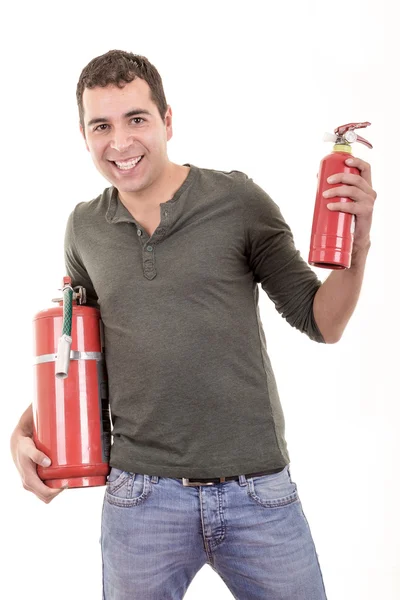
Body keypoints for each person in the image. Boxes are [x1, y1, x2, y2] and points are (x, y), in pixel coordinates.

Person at [10, 49, 377, 600]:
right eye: (101, 126)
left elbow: (322, 322)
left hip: (259, 493)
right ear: (83, 134)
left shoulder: (237, 202)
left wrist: (360, 239)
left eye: (137, 119)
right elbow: (77, 354)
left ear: (167, 121)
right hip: (140, 501)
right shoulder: (83, 228)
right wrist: (24, 430)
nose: (120, 142)